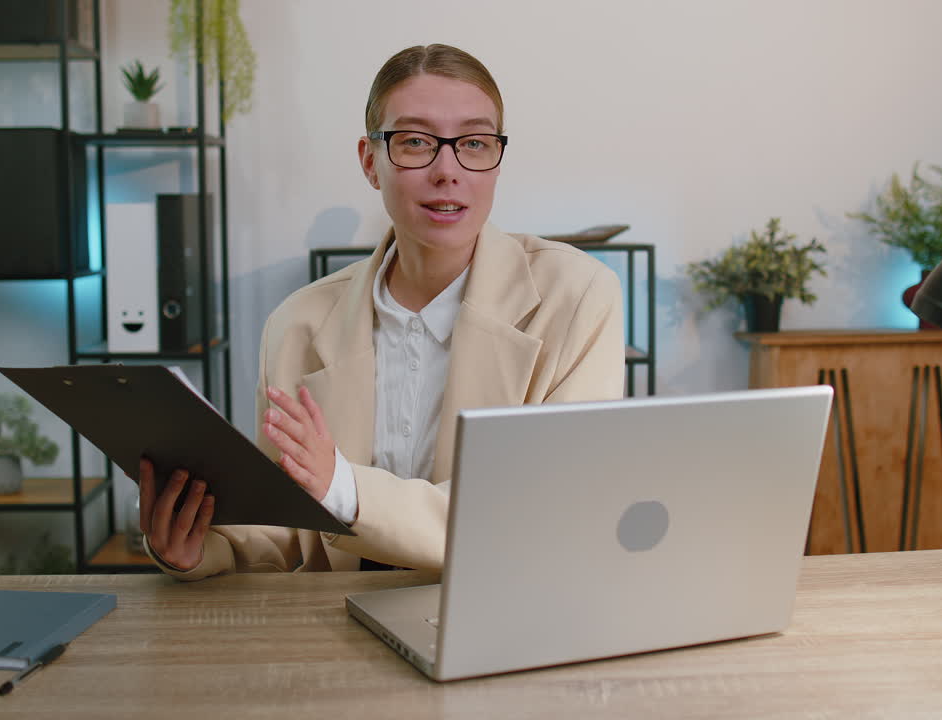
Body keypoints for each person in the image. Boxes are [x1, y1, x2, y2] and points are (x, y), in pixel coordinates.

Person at [139, 43, 625, 580]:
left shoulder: (578, 297)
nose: (448, 170)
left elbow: (537, 514)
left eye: (475, 143)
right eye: (415, 142)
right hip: (335, 631)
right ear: (371, 162)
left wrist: (343, 488)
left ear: (496, 160)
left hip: (496, 618)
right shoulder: (296, 323)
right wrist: (200, 550)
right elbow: (280, 533)